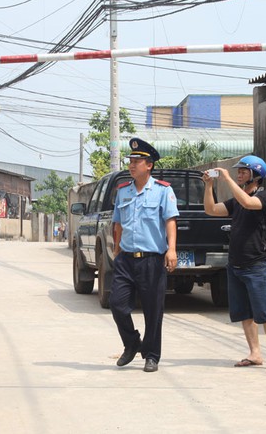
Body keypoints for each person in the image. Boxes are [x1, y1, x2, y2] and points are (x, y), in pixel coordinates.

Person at [203, 155, 266, 372]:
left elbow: (249, 203)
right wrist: (209, 186)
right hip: (236, 265)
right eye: (238, 171)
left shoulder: (264, 198)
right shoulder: (236, 202)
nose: (239, 174)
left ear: (256, 175)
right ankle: (255, 353)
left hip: (257, 265)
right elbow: (211, 210)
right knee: (245, 314)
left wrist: (228, 179)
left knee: (265, 313)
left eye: (243, 171)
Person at [110, 138, 179, 373]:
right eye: (131, 161)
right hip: (126, 258)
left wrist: (171, 249)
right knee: (117, 304)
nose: (132, 164)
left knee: (153, 310)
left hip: (152, 259)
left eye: (137, 161)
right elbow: (117, 224)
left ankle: (151, 355)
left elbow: (170, 221)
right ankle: (132, 344)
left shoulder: (162, 191)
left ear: (149, 165)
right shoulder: (123, 191)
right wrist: (116, 248)